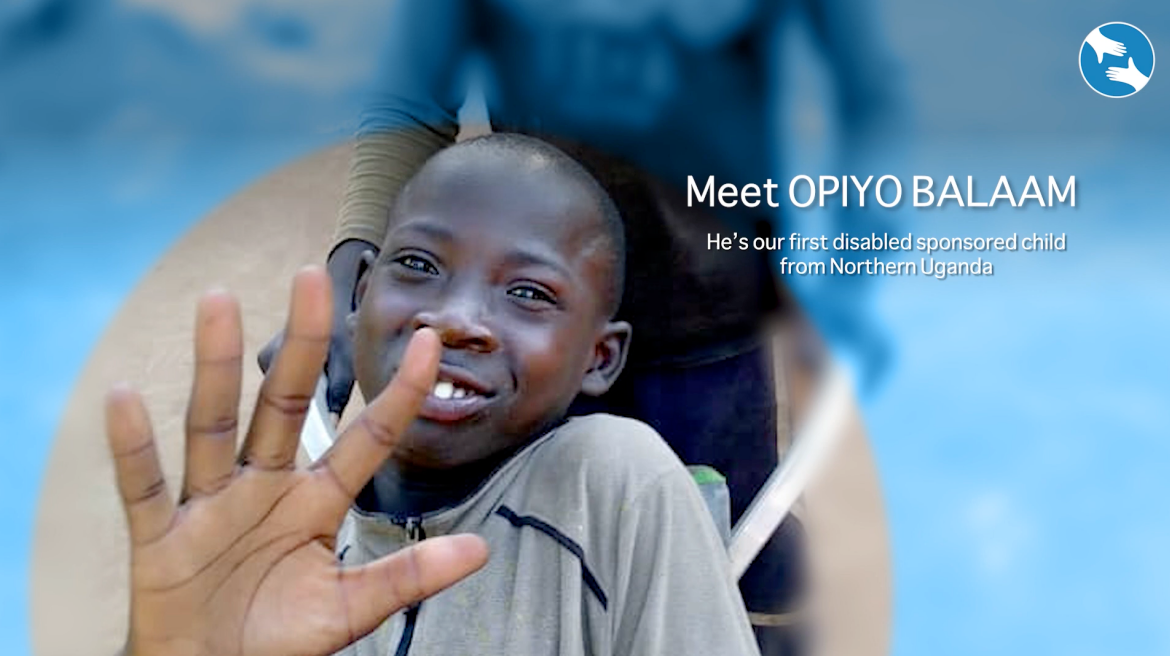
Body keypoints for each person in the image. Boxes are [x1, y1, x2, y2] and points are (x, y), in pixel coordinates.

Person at [276, 5, 905, 652]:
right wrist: (348, 271)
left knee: (721, 559)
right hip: (525, 333)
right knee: (510, 564)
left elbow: (867, 92)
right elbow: (412, 98)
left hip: (710, 322)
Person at [108, 134, 761, 656]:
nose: (455, 319)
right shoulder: (278, 545)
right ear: (358, 293)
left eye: (529, 292)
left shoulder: (613, 480)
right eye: (419, 265)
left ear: (600, 357)